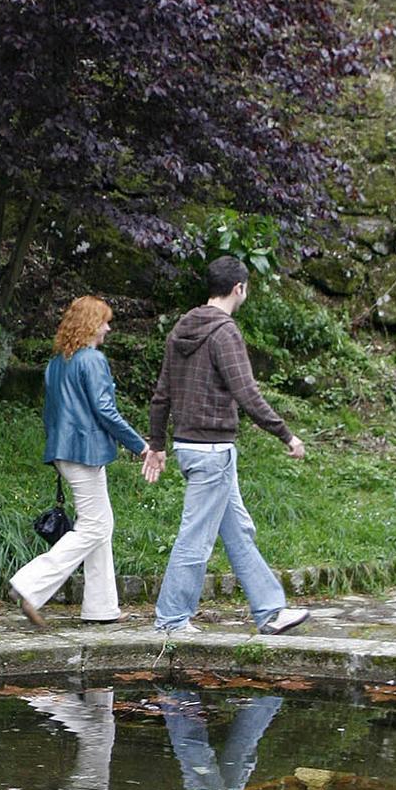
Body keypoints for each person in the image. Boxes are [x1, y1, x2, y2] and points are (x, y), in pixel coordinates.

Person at [143, 255, 309, 637]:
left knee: (238, 532)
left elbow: (161, 396)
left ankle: (270, 610)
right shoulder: (224, 331)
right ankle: (170, 619)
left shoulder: (181, 329)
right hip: (213, 452)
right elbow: (247, 392)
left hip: (191, 448)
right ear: (239, 288)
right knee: (195, 539)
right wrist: (286, 434)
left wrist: (157, 443)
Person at [9, 296, 154, 628]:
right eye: (104, 321)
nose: (108, 327)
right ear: (90, 324)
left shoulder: (57, 363)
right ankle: (29, 586)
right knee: (94, 526)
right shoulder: (93, 360)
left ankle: (102, 608)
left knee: (101, 525)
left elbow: (51, 414)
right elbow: (106, 411)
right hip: (84, 451)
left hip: (63, 450)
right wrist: (139, 445)